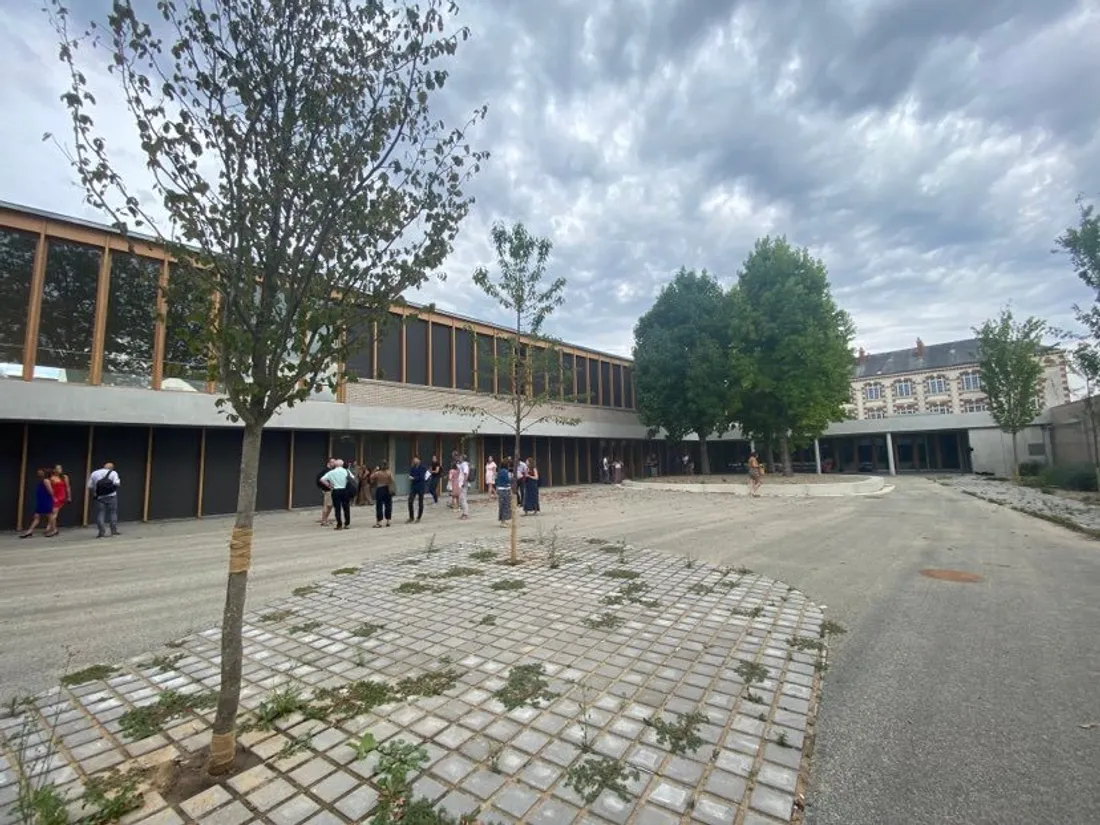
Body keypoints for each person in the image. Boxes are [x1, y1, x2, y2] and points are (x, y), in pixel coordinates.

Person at [87, 461, 121, 538]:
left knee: (101, 513)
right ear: (112, 468)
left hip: (100, 497)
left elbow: (89, 486)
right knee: (113, 512)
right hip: (112, 496)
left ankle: (101, 532)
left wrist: (95, 492)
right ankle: (113, 531)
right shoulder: (113, 473)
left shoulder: (94, 473)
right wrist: (112, 489)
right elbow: (117, 483)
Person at [20, 469, 55, 538]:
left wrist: (53, 498)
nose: (38, 473)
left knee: (49, 515)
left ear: (44, 473)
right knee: (37, 516)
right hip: (41, 501)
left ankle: (54, 530)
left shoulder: (46, 481)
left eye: (40, 472)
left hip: (46, 500)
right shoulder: (43, 481)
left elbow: (51, 491)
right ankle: (29, 531)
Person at [321, 459, 353, 529]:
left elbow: (322, 479)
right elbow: (352, 478)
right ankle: (347, 524)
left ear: (335, 465)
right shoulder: (346, 471)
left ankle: (339, 524)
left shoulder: (331, 472)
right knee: (346, 508)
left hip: (335, 490)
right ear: (342, 464)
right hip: (345, 490)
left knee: (337, 508)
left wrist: (329, 485)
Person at [47, 465, 71, 536]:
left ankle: (54, 529)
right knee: (53, 513)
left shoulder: (64, 477)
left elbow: (68, 487)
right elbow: (49, 488)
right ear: (54, 470)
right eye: (58, 468)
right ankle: (51, 527)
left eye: (60, 468)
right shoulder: (51, 478)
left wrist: (69, 496)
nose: (60, 470)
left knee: (53, 513)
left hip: (61, 497)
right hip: (54, 496)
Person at [371, 462, 395, 527]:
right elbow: (392, 480)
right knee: (388, 505)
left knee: (379, 506)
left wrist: (375, 470)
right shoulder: (389, 472)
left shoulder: (378, 473)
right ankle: (388, 521)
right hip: (388, 489)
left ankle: (379, 522)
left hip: (380, 489)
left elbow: (371, 477)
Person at [406, 456, 429, 523]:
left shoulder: (423, 467)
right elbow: (410, 474)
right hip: (414, 487)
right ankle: (411, 517)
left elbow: (422, 477)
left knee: (420, 502)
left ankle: (419, 517)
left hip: (421, 486)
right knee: (410, 501)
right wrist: (411, 477)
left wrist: (414, 478)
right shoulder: (412, 467)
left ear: (419, 460)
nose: (414, 460)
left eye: (416, 459)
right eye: (414, 459)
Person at [317, 458, 335, 526]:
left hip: (328, 490)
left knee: (329, 506)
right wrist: (329, 486)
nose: (334, 463)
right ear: (328, 463)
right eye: (332, 462)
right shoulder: (326, 471)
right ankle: (324, 521)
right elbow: (320, 480)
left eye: (334, 462)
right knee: (327, 505)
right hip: (328, 491)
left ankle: (325, 520)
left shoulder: (329, 471)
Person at [495, 461, 512, 526]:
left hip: (500, 489)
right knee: (505, 505)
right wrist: (512, 479)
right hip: (505, 489)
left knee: (502, 505)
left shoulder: (499, 471)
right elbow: (507, 480)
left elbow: (496, 480)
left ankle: (503, 520)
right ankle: (503, 522)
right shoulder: (505, 472)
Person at [457, 454, 470, 520]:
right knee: (461, 499)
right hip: (461, 483)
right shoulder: (462, 465)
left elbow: (466, 474)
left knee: (463, 499)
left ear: (462, 458)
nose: (459, 458)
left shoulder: (465, 465)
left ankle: (465, 514)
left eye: (460, 458)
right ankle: (464, 513)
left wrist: (464, 483)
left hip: (463, 484)